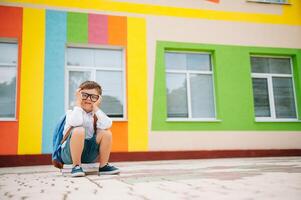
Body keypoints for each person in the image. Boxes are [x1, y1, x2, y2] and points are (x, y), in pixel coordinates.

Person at [61, 80, 120, 177]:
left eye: (93, 97)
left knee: (106, 133)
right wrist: (78, 104)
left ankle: (103, 166)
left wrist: (96, 108)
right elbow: (76, 122)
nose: (88, 99)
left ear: (98, 99)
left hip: (88, 154)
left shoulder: (96, 115)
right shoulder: (72, 113)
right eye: (84, 95)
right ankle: (76, 166)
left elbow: (107, 124)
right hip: (69, 154)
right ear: (79, 96)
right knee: (79, 130)